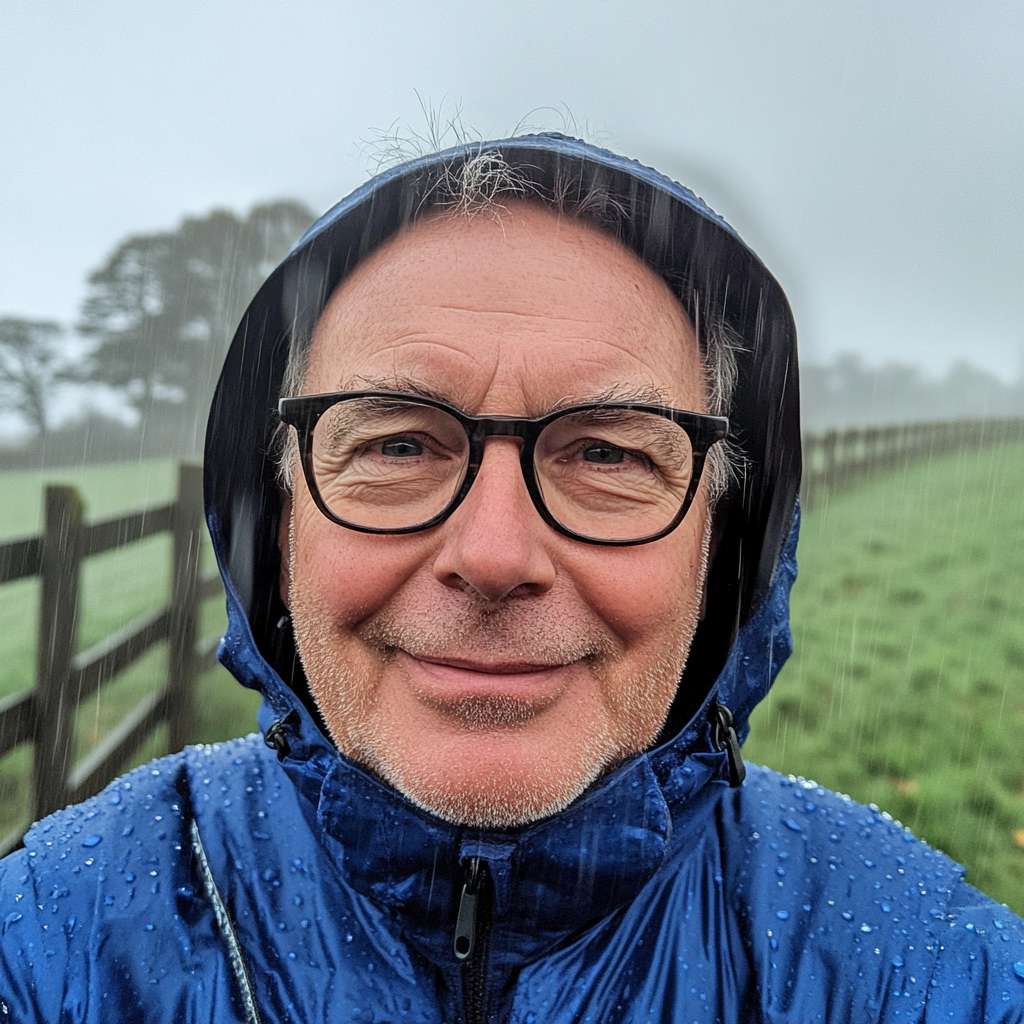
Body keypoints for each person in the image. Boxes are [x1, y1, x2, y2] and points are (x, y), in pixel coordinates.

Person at [1, 134, 1022, 1023]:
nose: (493, 555)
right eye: (398, 445)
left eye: (609, 455)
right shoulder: (53, 941)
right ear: (274, 526)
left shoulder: (917, 967)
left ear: (724, 547)